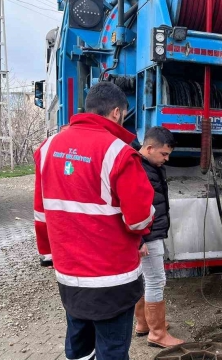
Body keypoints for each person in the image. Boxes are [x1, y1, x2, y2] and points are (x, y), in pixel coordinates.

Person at [33, 81, 155, 359]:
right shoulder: (119, 153)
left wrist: (48, 253)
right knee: (112, 350)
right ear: (116, 113)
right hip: (112, 278)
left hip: (69, 274)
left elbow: (41, 212)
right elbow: (138, 220)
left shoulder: (48, 147)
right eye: (123, 113)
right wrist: (149, 220)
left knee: (79, 347)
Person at [133, 126, 184, 348]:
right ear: (149, 148)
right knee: (156, 280)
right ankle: (158, 334)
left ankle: (144, 324)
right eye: (164, 154)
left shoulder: (147, 165)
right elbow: (130, 206)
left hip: (149, 233)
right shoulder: (138, 169)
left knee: (145, 279)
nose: (167, 158)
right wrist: (140, 239)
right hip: (148, 234)